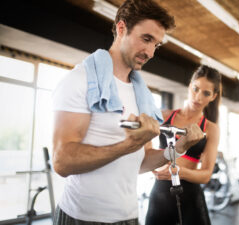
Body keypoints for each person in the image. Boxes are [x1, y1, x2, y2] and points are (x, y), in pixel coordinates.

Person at [51, 0, 204, 224]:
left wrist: (179, 149)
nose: (151, 52)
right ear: (121, 28)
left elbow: (141, 162)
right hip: (81, 217)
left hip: (129, 217)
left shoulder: (142, 96)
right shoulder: (80, 80)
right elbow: (61, 162)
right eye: (146, 39)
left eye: (157, 45)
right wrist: (128, 145)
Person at [145, 65, 222, 225]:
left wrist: (178, 172)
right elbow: (147, 153)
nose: (198, 97)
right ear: (189, 87)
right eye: (196, 89)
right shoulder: (164, 116)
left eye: (206, 93)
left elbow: (206, 175)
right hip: (161, 193)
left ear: (213, 97)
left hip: (190, 196)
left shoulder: (210, 129)